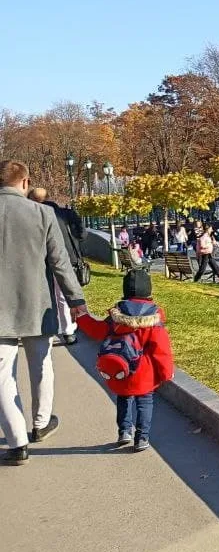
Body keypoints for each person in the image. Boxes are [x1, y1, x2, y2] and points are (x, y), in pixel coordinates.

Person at [0, 161, 89, 464]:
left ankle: (16, 443)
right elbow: (60, 263)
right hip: (37, 306)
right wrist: (76, 301)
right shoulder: (42, 213)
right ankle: (40, 423)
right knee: (41, 365)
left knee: (2, 377)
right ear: (24, 183)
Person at [75, 269, 174, 452]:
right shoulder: (153, 318)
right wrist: (166, 373)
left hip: (121, 369)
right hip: (145, 373)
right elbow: (161, 351)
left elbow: (97, 331)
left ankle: (124, 431)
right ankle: (142, 438)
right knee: (144, 402)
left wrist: (82, 318)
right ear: (149, 292)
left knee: (123, 398)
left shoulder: (116, 315)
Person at [26, 187, 86, 345]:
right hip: (66, 258)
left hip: (40, 260)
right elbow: (82, 233)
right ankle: (68, 330)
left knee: (44, 294)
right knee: (63, 295)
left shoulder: (32, 214)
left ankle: (47, 327)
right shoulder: (65, 213)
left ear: (31, 199)